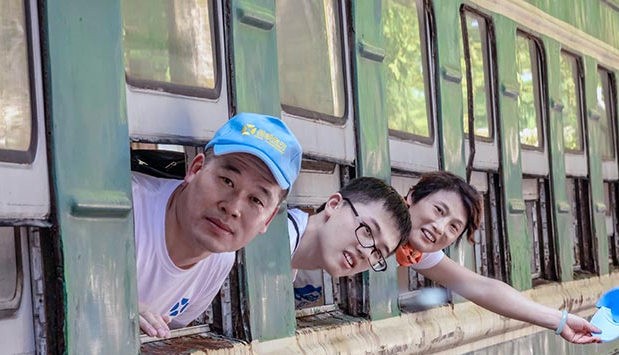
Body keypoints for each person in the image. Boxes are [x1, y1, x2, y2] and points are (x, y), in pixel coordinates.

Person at [134, 112, 302, 338]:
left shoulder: (220, 260)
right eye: (227, 181)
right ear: (195, 169)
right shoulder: (125, 213)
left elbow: (167, 333)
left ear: (269, 219)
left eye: (255, 200)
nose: (233, 208)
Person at [396, 171, 601, 344]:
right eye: (439, 210)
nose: (440, 228)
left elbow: (483, 288)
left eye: (453, 227)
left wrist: (560, 320)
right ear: (412, 196)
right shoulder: (383, 221)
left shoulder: (415, 252)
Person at [288, 177, 412, 280]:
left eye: (378, 253)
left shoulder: (288, 264)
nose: (366, 253)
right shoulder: (282, 239)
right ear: (334, 205)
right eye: (367, 231)